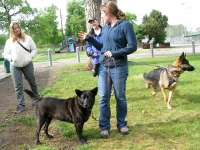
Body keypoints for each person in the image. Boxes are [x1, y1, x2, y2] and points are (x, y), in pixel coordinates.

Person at [78, 1, 137, 138]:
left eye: (103, 14)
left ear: (109, 13)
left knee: (120, 97)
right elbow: (102, 48)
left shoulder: (125, 25)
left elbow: (133, 46)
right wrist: (90, 39)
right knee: (104, 97)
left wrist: (115, 53)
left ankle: (121, 124)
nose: (102, 17)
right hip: (104, 67)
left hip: (119, 67)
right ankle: (104, 126)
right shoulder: (104, 29)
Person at [3, 22, 40, 114]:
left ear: (20, 28)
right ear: (12, 30)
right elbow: (5, 53)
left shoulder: (28, 38)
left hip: (27, 64)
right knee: (18, 86)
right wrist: (11, 58)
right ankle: (21, 105)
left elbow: (34, 49)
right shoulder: (9, 41)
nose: (17, 30)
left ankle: (37, 100)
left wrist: (30, 56)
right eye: (14, 28)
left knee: (32, 82)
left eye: (18, 28)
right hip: (15, 66)